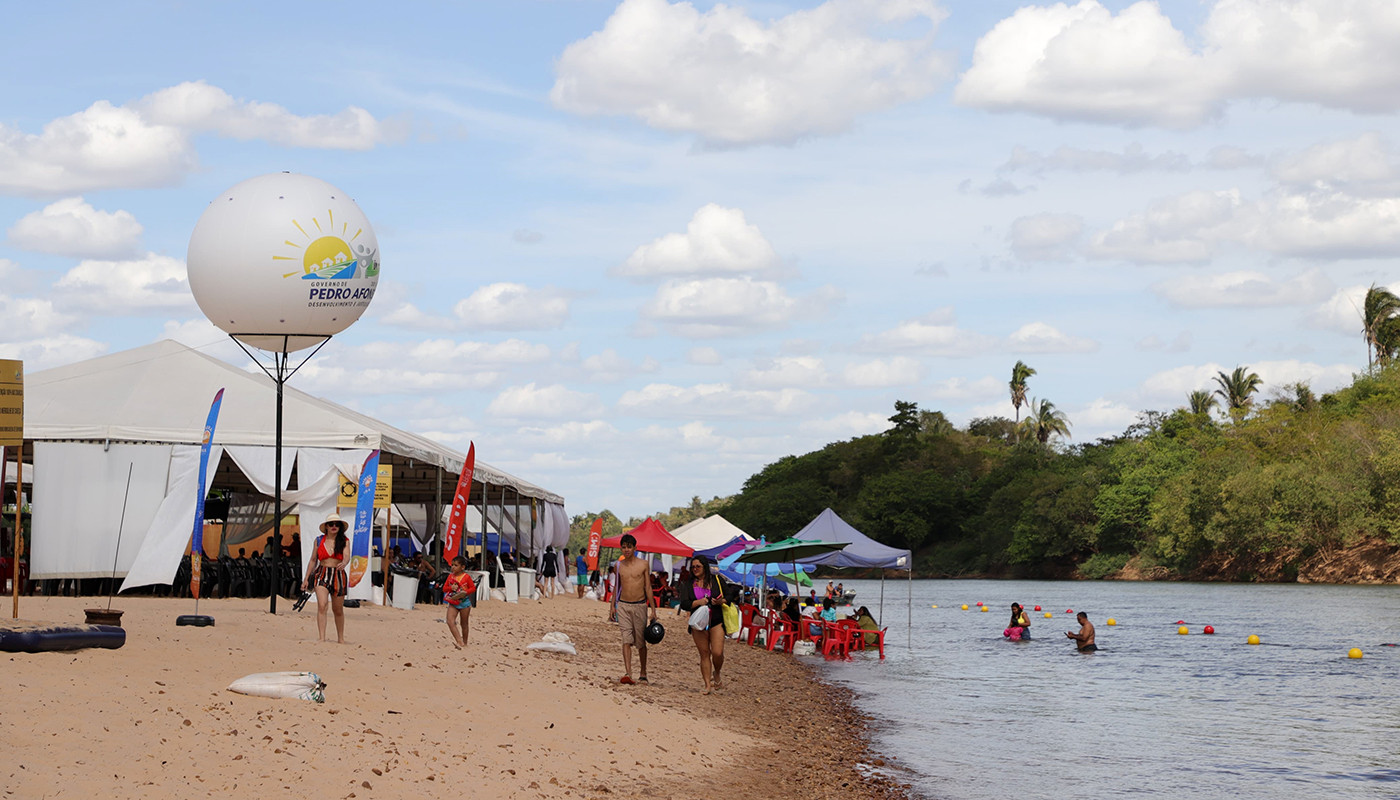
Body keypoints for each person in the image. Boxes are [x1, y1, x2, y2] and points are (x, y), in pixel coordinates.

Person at [676, 557, 727, 694]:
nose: (695, 569)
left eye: (698, 566)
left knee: (717, 652)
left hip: (716, 620)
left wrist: (721, 601)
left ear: (704, 567)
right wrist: (698, 602)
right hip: (698, 623)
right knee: (704, 653)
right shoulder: (688, 584)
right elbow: (684, 603)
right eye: (693, 567)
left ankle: (717, 673)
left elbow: (729, 596)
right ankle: (707, 685)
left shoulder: (716, 580)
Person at [611, 534, 657, 685]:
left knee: (641, 642)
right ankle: (628, 673)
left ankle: (643, 672)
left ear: (635, 548)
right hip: (623, 605)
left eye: (629, 547)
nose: (626, 550)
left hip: (640, 605)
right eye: (624, 547)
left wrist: (653, 610)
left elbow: (648, 587)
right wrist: (612, 606)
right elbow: (617, 587)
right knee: (626, 639)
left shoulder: (643, 564)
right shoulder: (618, 565)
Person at [301, 513, 350, 644]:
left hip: (338, 574)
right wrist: (306, 579)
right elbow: (313, 560)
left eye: (337, 524)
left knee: (338, 609)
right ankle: (322, 637)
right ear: (326, 527)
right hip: (322, 573)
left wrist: (345, 562)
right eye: (331, 524)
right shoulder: (318, 540)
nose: (334, 526)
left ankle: (340, 638)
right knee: (322, 605)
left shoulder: (344, 541)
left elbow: (347, 555)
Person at [441, 555, 475, 649]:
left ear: (462, 567)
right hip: (453, 602)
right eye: (452, 565)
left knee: (464, 624)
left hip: (464, 603)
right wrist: (450, 588)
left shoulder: (466, 577)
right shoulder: (450, 576)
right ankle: (459, 641)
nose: (453, 567)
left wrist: (465, 592)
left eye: (456, 565)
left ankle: (465, 642)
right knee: (450, 621)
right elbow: (444, 589)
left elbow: (473, 588)